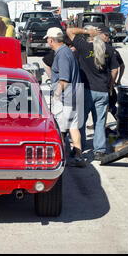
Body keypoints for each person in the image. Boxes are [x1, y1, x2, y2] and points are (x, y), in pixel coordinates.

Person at [67, 25, 119, 161]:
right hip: (102, 90)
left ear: (92, 34)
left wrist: (86, 31)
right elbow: (115, 70)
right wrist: (110, 85)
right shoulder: (109, 49)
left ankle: (80, 147)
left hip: (85, 90)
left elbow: (69, 31)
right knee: (100, 122)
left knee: (82, 121)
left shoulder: (84, 47)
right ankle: (100, 151)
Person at [45, 27, 86, 167]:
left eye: (48, 40)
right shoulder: (67, 51)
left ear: (51, 40)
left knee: (61, 130)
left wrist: (56, 95)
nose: (47, 42)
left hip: (66, 97)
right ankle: (79, 158)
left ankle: (61, 158)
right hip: (75, 94)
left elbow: (64, 79)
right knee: (73, 127)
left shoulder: (62, 54)